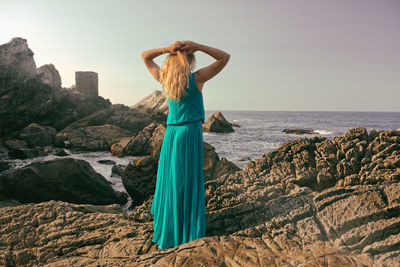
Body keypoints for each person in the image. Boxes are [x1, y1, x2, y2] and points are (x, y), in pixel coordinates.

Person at [141, 40, 230, 249]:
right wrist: (198, 46)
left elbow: (145, 56)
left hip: (172, 134)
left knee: (172, 181)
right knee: (187, 182)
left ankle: (170, 229)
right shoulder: (196, 78)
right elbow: (224, 57)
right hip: (190, 133)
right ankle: (186, 230)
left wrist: (165, 49)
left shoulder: (164, 79)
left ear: (170, 61)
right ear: (189, 60)